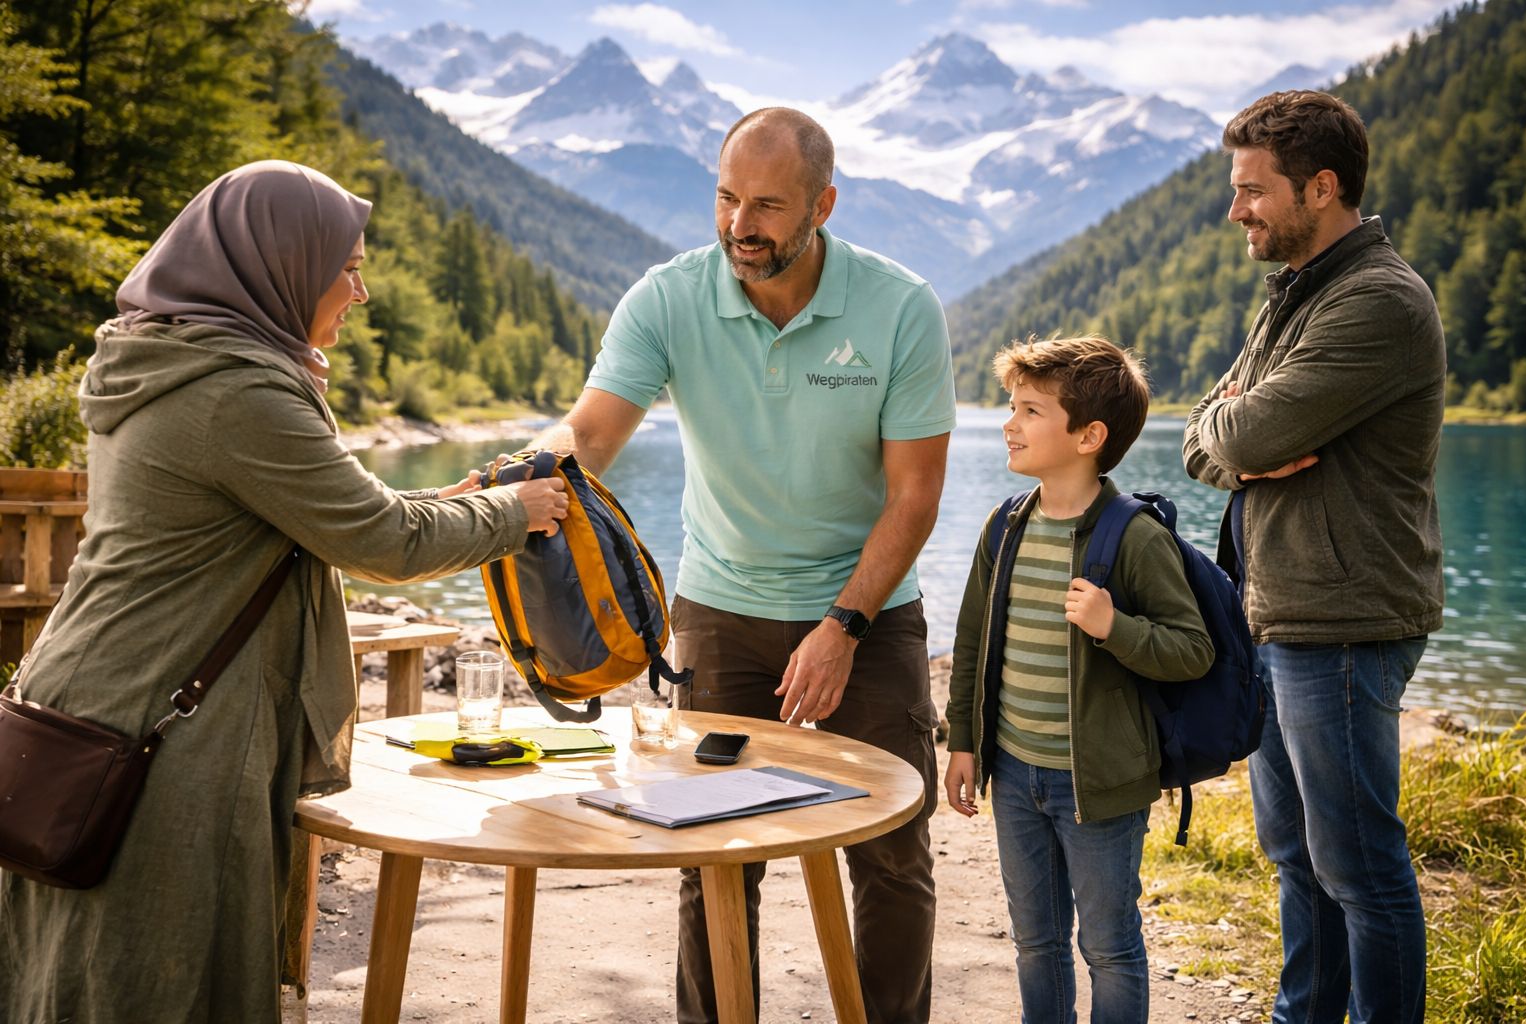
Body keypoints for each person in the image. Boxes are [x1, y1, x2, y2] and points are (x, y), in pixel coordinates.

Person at [0, 160, 568, 1022]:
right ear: (280, 264)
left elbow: (325, 513)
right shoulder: (238, 395)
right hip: (160, 731)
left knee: (83, 964)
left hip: (93, 700)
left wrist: (441, 503)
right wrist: (513, 512)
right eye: (347, 267)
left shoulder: (178, 360)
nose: (362, 291)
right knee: (158, 974)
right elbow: (381, 542)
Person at [526, 107, 955, 1023]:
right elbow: (591, 433)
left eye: (766, 204)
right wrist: (515, 480)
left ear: (823, 205)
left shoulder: (899, 306)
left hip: (868, 618)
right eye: (725, 197)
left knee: (889, 854)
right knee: (715, 855)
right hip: (718, 614)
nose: (739, 225)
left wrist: (842, 627)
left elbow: (914, 498)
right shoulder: (668, 298)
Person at [1183, 91, 1445, 1023]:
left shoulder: (1378, 301)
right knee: (1297, 856)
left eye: (1252, 191)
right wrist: (1235, 435)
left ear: (1321, 187)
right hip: (1281, 613)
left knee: (1360, 868)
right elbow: (1206, 438)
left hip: (1342, 623)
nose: (1236, 211)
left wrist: (1239, 436)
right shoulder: (1296, 295)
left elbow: (1243, 436)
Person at [944, 335, 1213, 1023]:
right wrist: (965, 744)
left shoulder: (1134, 537)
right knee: (1036, 943)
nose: (1009, 423)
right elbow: (973, 641)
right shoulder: (1005, 525)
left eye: (1030, 411)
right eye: (1012, 407)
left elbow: (1191, 650)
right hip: (1014, 776)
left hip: (1098, 787)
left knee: (1110, 947)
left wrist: (1112, 626)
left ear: (1089, 435)